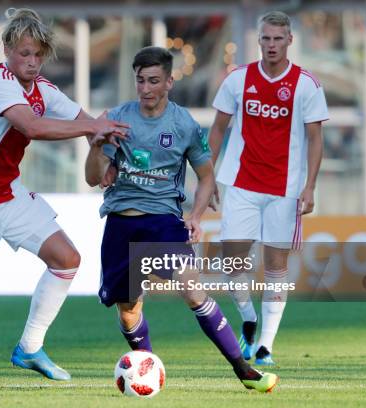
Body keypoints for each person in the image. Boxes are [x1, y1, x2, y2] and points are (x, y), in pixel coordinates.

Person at [0, 8, 128, 381]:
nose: (31, 62)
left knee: (67, 259)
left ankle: (29, 348)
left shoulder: (44, 89)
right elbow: (31, 127)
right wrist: (93, 126)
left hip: (8, 194)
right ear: (7, 51)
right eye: (23, 53)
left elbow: (84, 123)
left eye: (37, 54)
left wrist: (101, 143)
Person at [86, 46, 277, 392]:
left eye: (153, 81)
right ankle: (147, 368)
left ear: (170, 82)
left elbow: (206, 176)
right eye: (140, 81)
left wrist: (196, 215)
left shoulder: (184, 124)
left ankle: (243, 369)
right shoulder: (118, 117)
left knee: (192, 288)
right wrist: (97, 147)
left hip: (163, 223)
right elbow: (91, 178)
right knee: (128, 310)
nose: (145, 88)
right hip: (121, 224)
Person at [208, 11, 328, 365]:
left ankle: (265, 345)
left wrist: (309, 187)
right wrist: (207, 176)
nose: (271, 45)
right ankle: (248, 316)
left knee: (275, 267)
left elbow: (315, 138)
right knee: (232, 261)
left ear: (290, 41)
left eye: (278, 38)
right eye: (266, 38)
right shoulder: (238, 79)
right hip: (241, 183)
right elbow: (217, 129)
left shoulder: (306, 84)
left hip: (284, 188)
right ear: (258, 40)